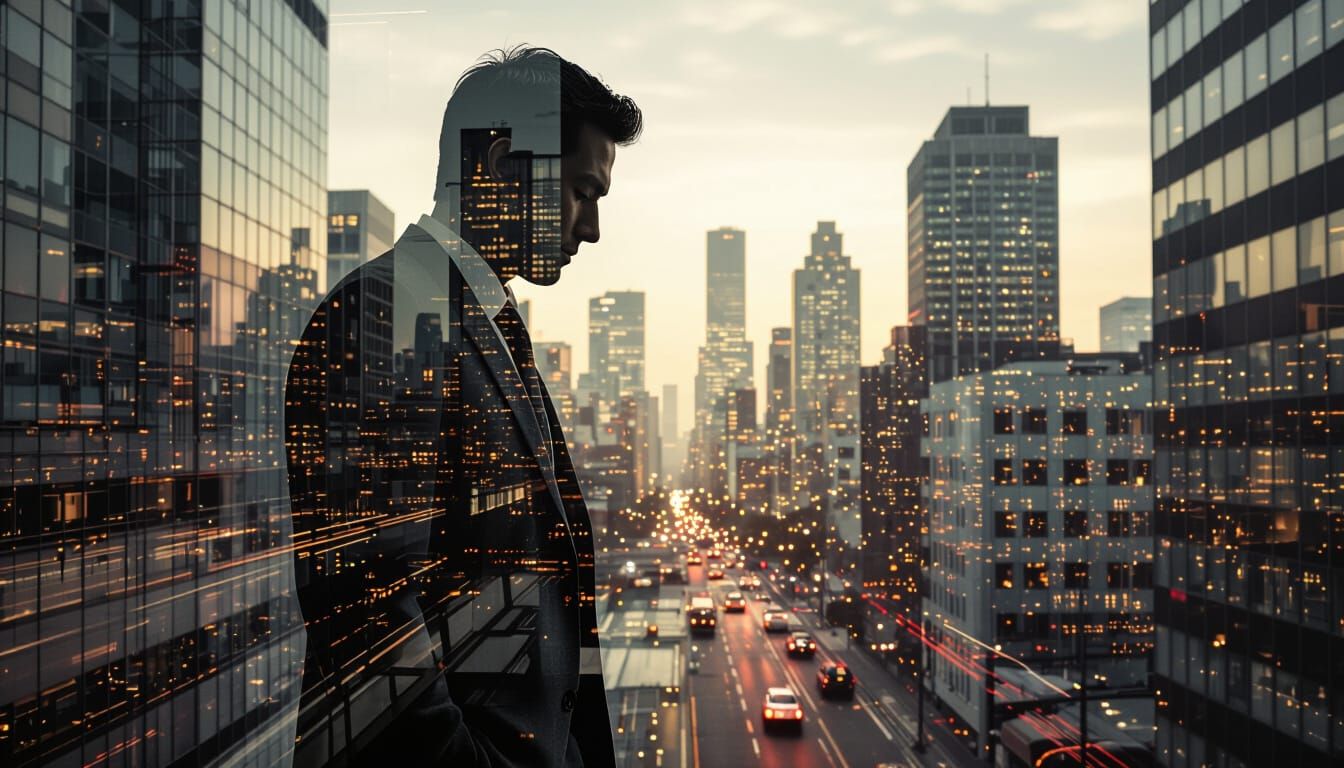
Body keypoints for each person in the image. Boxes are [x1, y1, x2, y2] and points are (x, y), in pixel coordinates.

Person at [284, 46, 642, 766]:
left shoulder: (479, 320)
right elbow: (368, 613)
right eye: (581, 191)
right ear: (505, 165)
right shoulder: (388, 314)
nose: (592, 228)